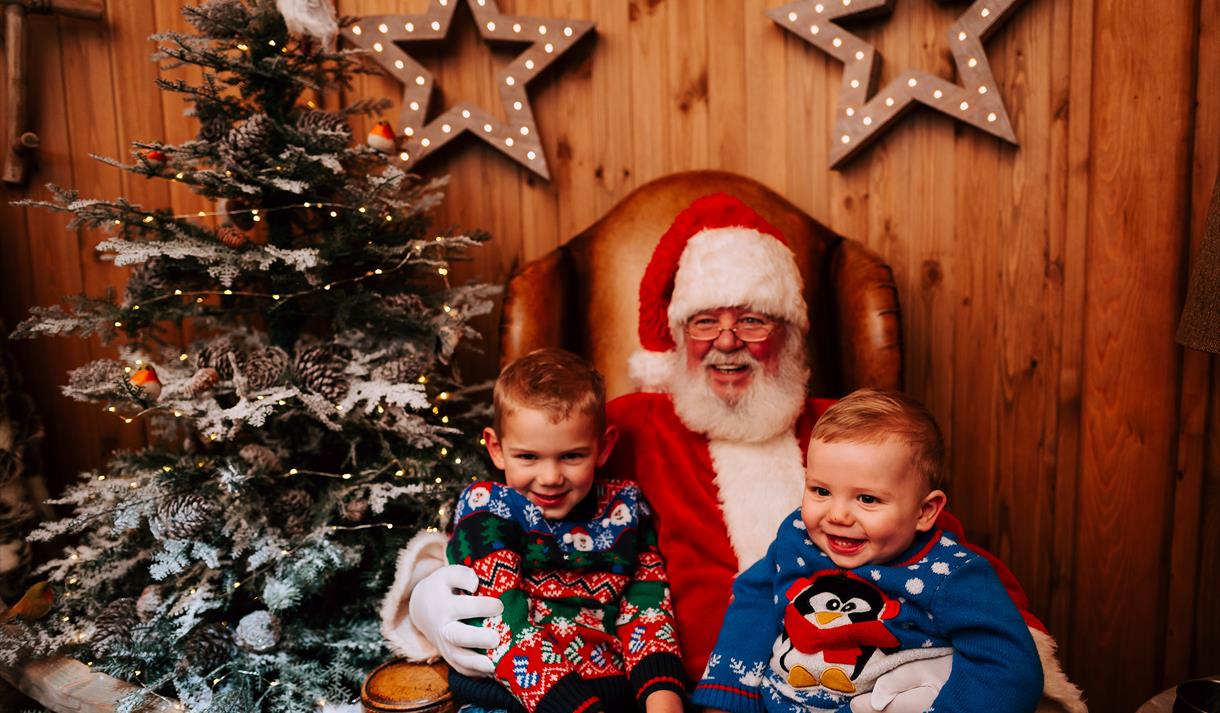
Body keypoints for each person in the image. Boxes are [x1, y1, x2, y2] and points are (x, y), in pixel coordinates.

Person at [379, 194, 1085, 712]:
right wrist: (434, 592)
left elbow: (943, 552)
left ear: (791, 334)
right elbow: (522, 509)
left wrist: (1029, 671)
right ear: (676, 337)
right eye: (705, 321)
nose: (726, 341)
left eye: (753, 320)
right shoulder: (625, 427)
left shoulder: (844, 434)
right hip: (658, 688)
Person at [693, 388, 1042, 713]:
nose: (838, 515)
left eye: (867, 499)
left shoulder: (948, 574)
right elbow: (756, 598)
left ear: (925, 512)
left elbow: (1007, 662)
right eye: (820, 491)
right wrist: (728, 693)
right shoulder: (797, 537)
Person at [446, 348, 686, 713]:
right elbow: (500, 627)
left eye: (572, 456)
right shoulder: (487, 509)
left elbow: (648, 611)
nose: (550, 477)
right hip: (509, 699)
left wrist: (663, 702)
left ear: (603, 447)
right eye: (528, 457)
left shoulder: (626, 509)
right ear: (496, 449)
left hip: (617, 696)